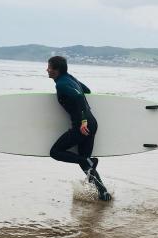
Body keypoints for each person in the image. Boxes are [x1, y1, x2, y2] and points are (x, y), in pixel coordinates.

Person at [47, 56, 112, 201]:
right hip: (92, 123)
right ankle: (103, 193)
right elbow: (86, 90)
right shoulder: (70, 79)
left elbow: (78, 98)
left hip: (82, 126)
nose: (47, 70)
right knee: (86, 164)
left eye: (49, 67)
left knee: (55, 152)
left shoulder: (61, 85)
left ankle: (89, 162)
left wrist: (82, 120)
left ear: (56, 70)